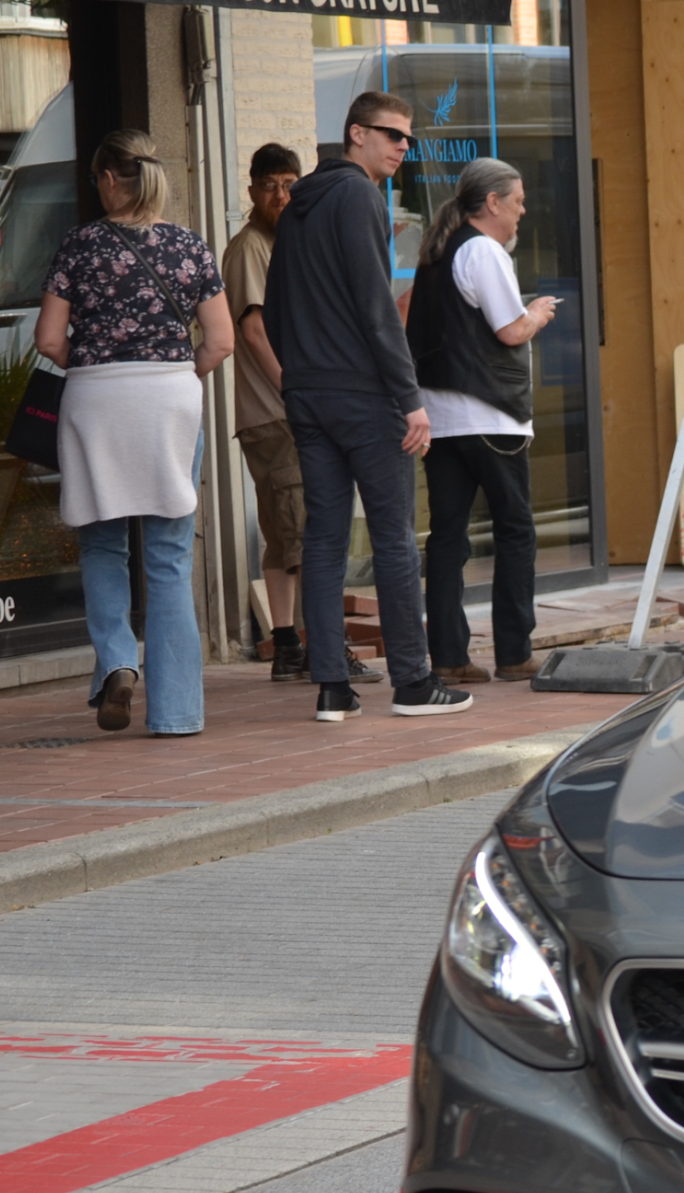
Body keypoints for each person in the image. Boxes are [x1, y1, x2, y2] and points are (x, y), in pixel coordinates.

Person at [265, 90, 470, 723]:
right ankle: (413, 681)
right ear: (356, 133)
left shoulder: (301, 204)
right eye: (393, 135)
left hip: (308, 394)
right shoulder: (357, 195)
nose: (403, 148)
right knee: (393, 538)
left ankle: (332, 687)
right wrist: (409, 399)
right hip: (361, 394)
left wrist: (300, 373)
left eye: (409, 139)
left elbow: (273, 310)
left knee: (324, 537)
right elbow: (375, 304)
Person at [35, 129, 233, 736]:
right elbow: (221, 341)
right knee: (170, 556)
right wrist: (175, 371)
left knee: (101, 545)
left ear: (111, 180)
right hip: (170, 397)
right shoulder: (190, 247)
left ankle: (119, 662)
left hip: (97, 398)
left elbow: (47, 339)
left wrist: (96, 368)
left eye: (97, 179)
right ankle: (176, 715)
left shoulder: (79, 246)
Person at [222, 143, 382, 688]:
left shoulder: (284, 241)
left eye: (289, 183)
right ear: (252, 192)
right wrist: (296, 392)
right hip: (277, 412)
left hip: (283, 411)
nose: (281, 194)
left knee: (283, 535)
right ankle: (324, 651)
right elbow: (252, 329)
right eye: (269, 185)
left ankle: (288, 645)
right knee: (309, 539)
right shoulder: (251, 249)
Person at [406, 157, 557, 684]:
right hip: (492, 415)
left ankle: (449, 656)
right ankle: (514, 653)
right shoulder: (485, 251)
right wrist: (536, 312)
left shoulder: (435, 252)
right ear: (491, 203)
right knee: (516, 530)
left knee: (447, 536)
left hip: (442, 416)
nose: (522, 212)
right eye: (516, 202)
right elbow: (510, 331)